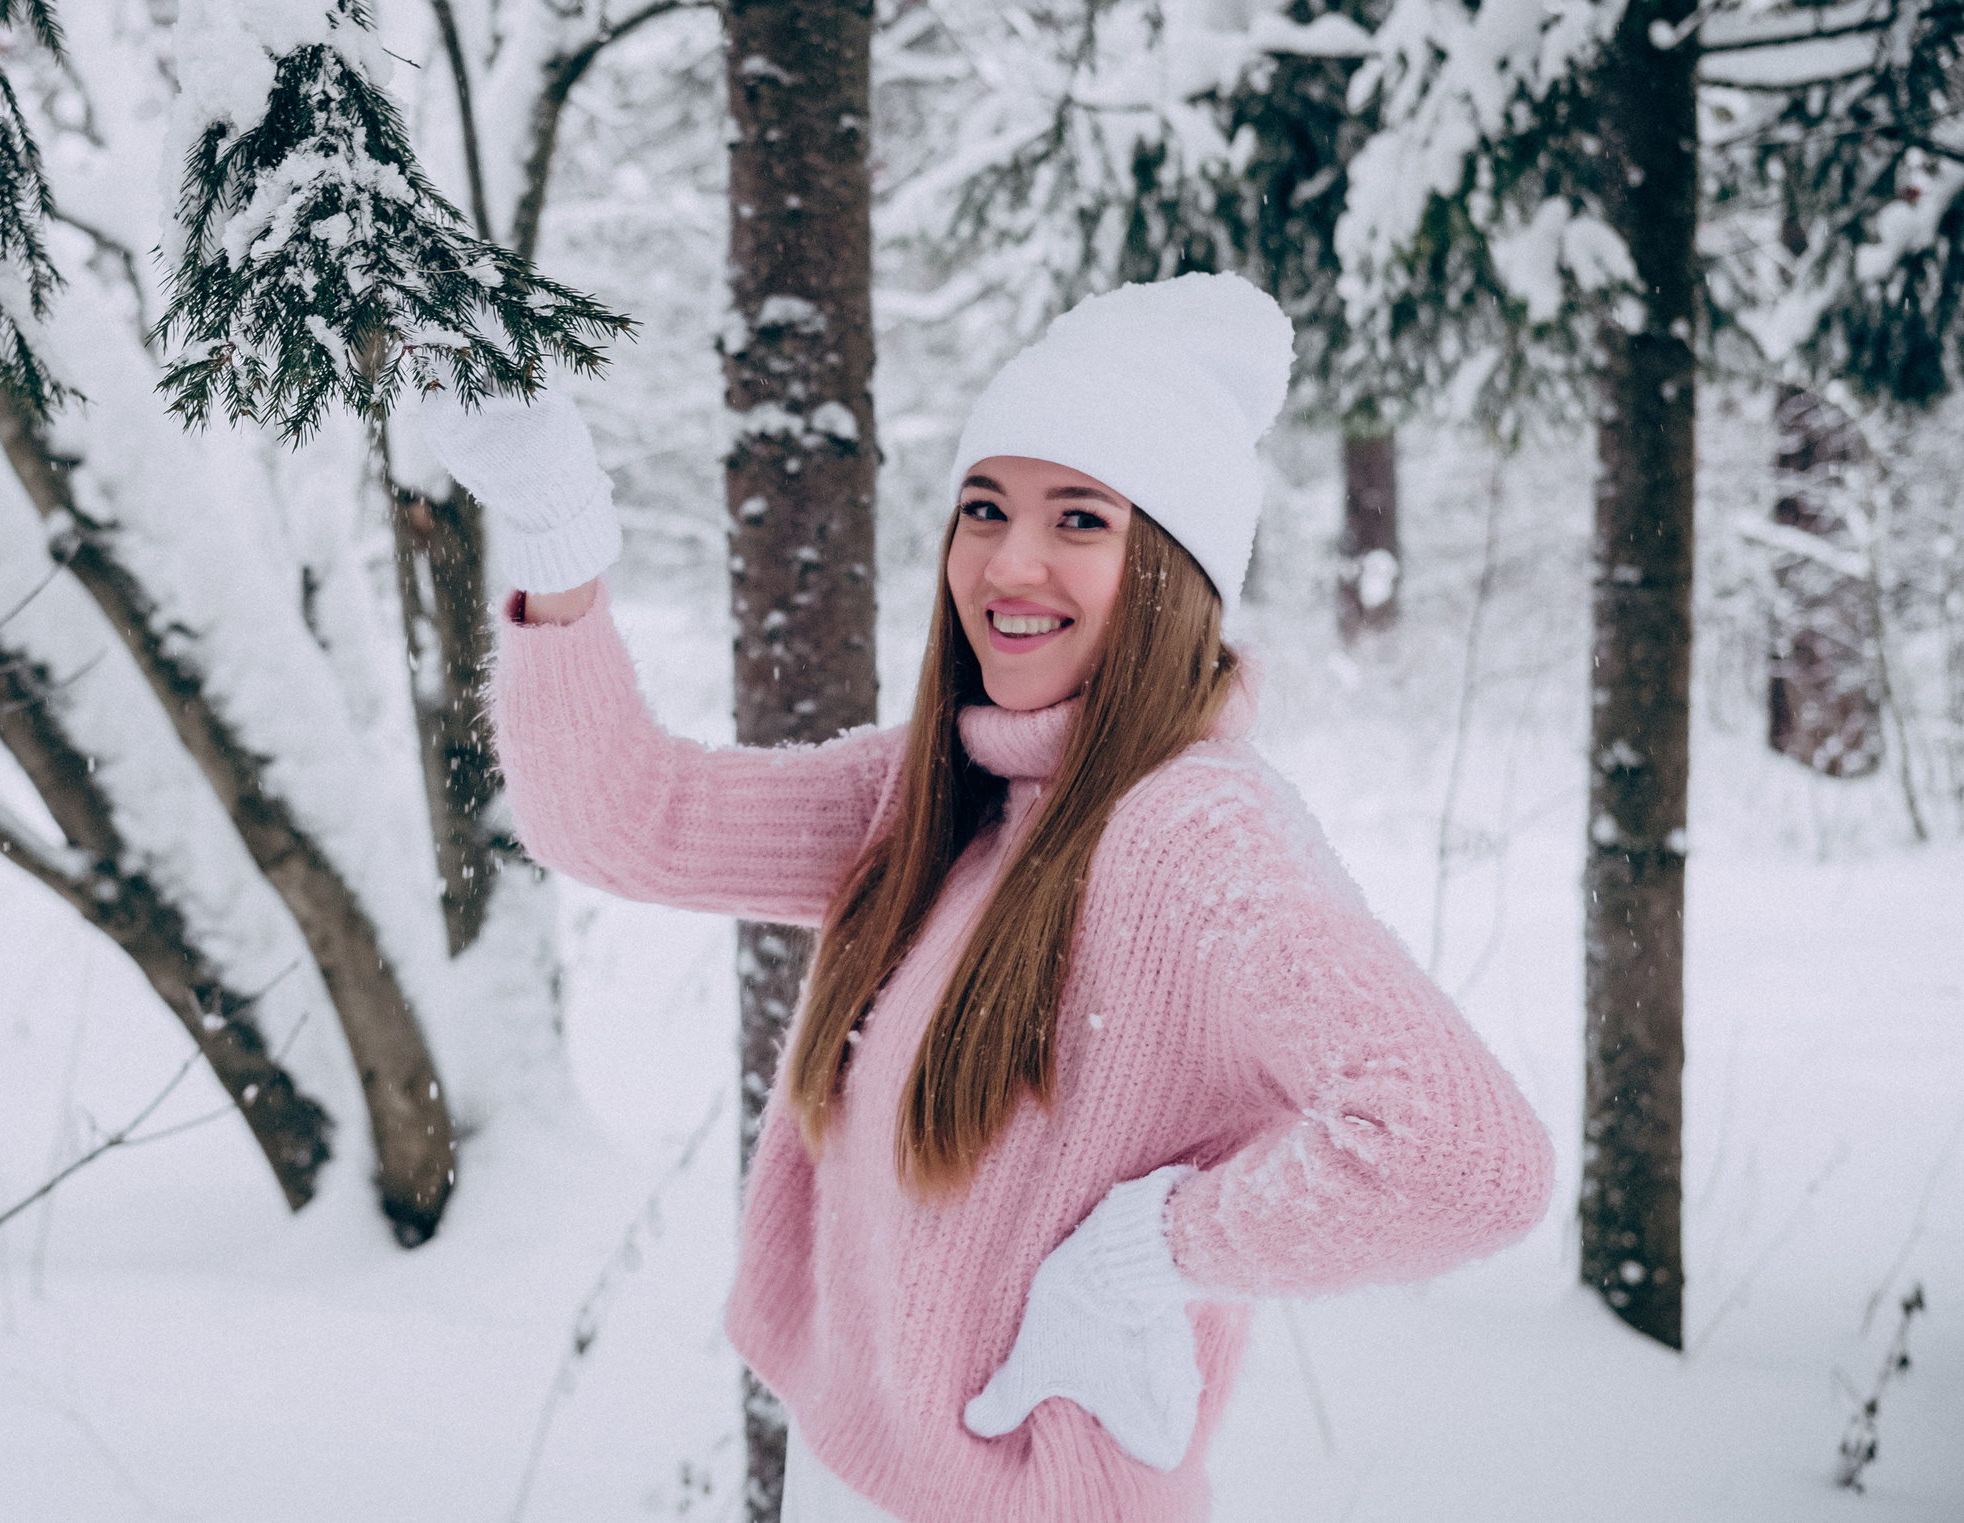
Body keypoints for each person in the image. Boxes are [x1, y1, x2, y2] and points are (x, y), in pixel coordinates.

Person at [416, 273, 1553, 1523]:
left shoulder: (1191, 831)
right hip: (863, 1472)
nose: (1011, 563)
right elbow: (628, 821)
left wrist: (1150, 1252)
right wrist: (553, 529)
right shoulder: (946, 789)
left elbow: (1465, 1157)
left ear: (1173, 568)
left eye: (1080, 520)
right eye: (982, 509)